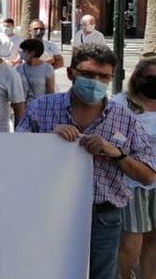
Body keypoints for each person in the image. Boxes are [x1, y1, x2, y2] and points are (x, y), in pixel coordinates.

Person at [18, 44, 156, 279]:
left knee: (101, 274)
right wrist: (47, 141)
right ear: (72, 73)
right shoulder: (41, 109)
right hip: (49, 211)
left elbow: (148, 175)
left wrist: (116, 153)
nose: (96, 81)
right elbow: (14, 157)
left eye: (104, 76)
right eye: (89, 74)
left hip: (103, 216)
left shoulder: (124, 118)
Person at [117, 58, 156, 279]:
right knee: (132, 242)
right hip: (132, 180)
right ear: (138, 79)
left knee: (154, 240)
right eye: (152, 79)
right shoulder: (121, 103)